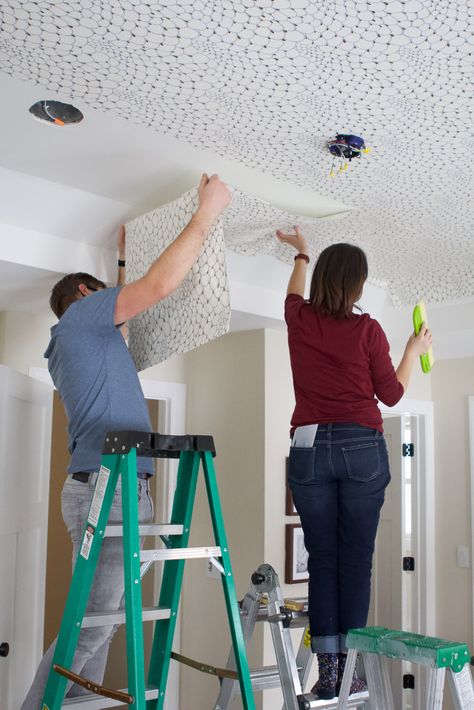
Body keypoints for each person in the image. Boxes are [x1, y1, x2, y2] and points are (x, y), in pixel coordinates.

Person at [21, 173, 231, 709]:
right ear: (87, 298)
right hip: (108, 485)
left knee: (102, 621)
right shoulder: (81, 318)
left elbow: (123, 328)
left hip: (110, 483)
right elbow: (156, 288)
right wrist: (206, 213)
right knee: (94, 624)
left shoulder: (77, 341)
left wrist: (121, 261)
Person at [276, 226, 432, 700]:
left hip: (307, 445)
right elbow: (391, 394)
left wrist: (302, 253)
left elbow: (293, 292)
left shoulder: (298, 318)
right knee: (355, 562)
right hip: (360, 445)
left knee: (322, 561)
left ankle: (328, 671)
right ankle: (350, 674)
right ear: (357, 288)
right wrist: (412, 351)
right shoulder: (367, 330)